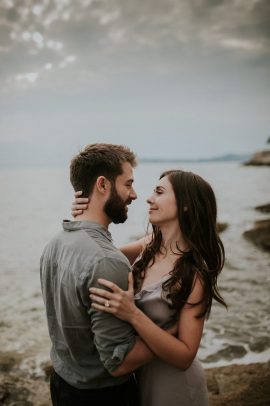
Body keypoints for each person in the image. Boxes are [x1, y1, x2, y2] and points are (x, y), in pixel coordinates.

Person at [72, 169, 227, 406]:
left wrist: (132, 314)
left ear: (186, 205)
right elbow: (98, 257)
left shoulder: (194, 275)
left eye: (159, 192)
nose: (148, 198)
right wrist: (84, 217)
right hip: (137, 374)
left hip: (172, 386)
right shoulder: (149, 246)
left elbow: (185, 356)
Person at [40, 143, 161, 406]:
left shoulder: (55, 244)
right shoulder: (106, 260)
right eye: (128, 184)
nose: (135, 195)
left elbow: (95, 263)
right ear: (103, 185)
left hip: (62, 383)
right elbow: (119, 364)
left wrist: (153, 241)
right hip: (103, 397)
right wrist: (173, 333)